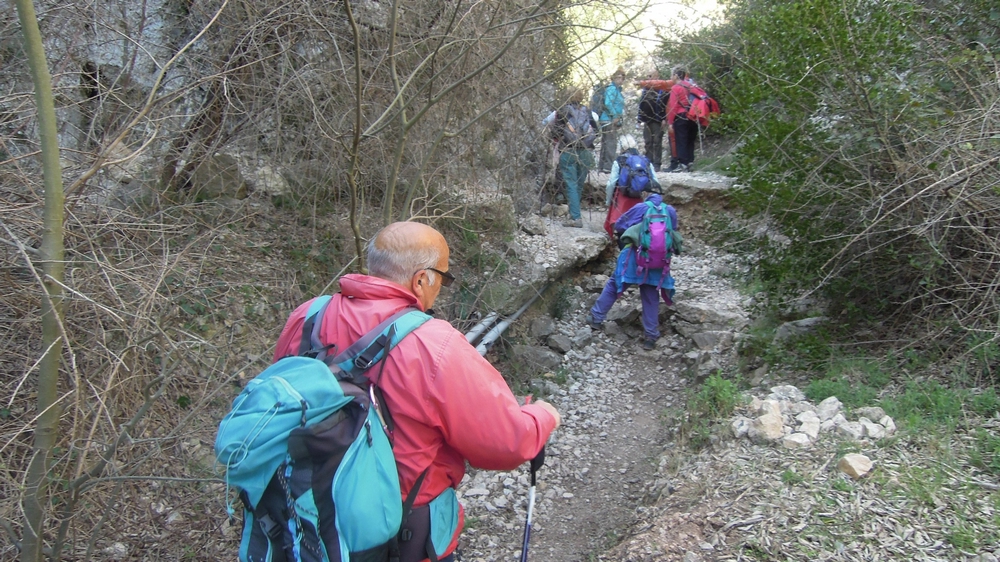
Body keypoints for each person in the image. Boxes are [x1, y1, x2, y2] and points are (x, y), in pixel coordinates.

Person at [272, 221, 561, 562]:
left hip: (308, 516)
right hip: (401, 534)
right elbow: (505, 444)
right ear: (422, 279)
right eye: (444, 278)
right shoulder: (434, 345)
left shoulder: (309, 316)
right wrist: (543, 416)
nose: (441, 287)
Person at [589, 193, 679, 351]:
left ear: (648, 198)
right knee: (651, 294)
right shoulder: (670, 211)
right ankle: (650, 336)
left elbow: (620, 226)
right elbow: (674, 231)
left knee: (615, 285)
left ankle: (596, 319)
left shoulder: (641, 207)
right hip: (658, 262)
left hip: (634, 258)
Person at [551, 87, 597, 228]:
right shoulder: (588, 112)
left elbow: (556, 132)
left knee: (570, 183)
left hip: (568, 150)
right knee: (579, 184)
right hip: (585, 151)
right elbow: (596, 130)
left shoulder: (563, 111)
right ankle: (574, 213)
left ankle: (575, 217)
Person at [602, 134, 661, 240]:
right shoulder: (645, 161)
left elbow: (611, 183)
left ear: (622, 147)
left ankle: (623, 248)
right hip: (640, 199)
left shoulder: (619, 161)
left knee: (621, 226)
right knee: (638, 225)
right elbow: (655, 182)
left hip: (622, 200)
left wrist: (608, 201)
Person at [665, 67, 698, 173]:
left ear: (676, 75)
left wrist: (670, 123)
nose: (671, 77)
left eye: (672, 75)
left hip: (681, 115)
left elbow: (673, 106)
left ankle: (682, 164)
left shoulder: (676, 88)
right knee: (690, 140)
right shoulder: (690, 86)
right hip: (692, 115)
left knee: (681, 140)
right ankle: (690, 162)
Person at [636, 69, 669, 171]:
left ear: (656, 77)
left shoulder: (662, 90)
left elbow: (665, 106)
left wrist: (664, 118)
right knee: (648, 142)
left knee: (657, 141)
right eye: (648, 76)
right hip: (647, 120)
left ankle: (657, 164)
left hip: (657, 120)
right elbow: (642, 105)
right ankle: (648, 162)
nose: (648, 79)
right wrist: (639, 119)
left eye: (650, 76)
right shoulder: (646, 90)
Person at [598, 67, 627, 173]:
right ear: (613, 78)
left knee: (606, 142)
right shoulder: (612, 89)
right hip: (609, 119)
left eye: (622, 78)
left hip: (609, 119)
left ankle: (602, 165)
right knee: (611, 142)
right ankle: (608, 166)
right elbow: (608, 103)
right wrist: (615, 116)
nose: (620, 80)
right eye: (618, 77)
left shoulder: (617, 90)